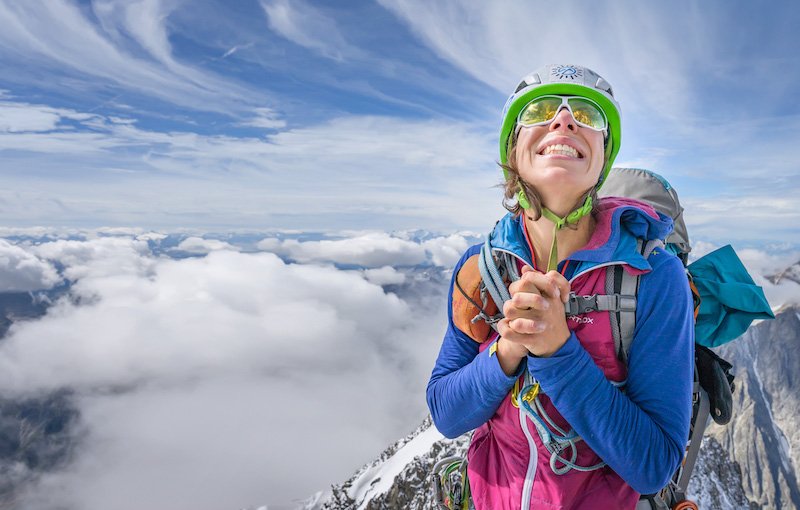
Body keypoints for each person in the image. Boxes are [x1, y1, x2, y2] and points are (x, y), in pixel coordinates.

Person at [426, 65, 695, 510]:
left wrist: (557, 353)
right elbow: (447, 414)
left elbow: (654, 465)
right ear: (513, 148)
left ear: (602, 156)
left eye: (587, 116)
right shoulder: (481, 269)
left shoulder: (652, 275)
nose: (564, 120)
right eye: (541, 110)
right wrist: (506, 350)